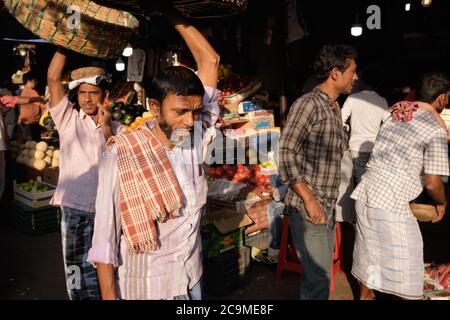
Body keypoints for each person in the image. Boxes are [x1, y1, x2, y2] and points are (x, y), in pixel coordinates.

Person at [87, 5, 220, 300]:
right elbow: (104, 241)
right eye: (181, 111)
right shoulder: (123, 152)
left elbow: (210, 60)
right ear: (155, 108)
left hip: (191, 280)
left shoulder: (194, 138)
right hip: (149, 289)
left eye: (197, 111)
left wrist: (170, 12)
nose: (191, 120)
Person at [351, 72, 450, 300]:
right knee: (409, 263)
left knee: (368, 252)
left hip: (365, 193)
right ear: (443, 98)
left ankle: (365, 296)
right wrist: (442, 203)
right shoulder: (434, 129)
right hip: (390, 203)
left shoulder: (397, 115)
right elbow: (433, 183)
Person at [279, 43, 358, 300]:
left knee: (318, 282)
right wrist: (309, 199)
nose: (355, 77)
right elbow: (286, 153)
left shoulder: (333, 107)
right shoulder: (309, 104)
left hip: (324, 207)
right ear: (335, 73)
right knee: (319, 282)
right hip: (307, 208)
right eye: (352, 71)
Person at [47, 48, 121, 300]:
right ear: (76, 95)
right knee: (77, 272)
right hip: (76, 208)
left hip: (107, 211)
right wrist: (65, 43)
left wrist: (107, 128)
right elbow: (53, 78)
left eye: (94, 93)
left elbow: (118, 158)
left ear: (105, 96)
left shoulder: (116, 128)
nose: (88, 99)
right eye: (83, 93)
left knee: (109, 271)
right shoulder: (68, 121)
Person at [341, 65, 390, 185]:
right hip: (374, 149)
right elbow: (389, 125)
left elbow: (340, 119)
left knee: (358, 184)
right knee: (371, 183)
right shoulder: (382, 101)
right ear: (377, 85)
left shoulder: (352, 98)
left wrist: (347, 129)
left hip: (356, 148)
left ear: (362, 82)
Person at [1, 94, 44, 201]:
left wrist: (36, 99)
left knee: (1, 173)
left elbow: (16, 99)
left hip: (1, 144)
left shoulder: (2, 98)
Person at [18, 72, 43, 141]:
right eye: (34, 81)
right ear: (29, 81)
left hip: (24, 121)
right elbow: (41, 104)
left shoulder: (23, 91)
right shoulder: (32, 92)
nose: (36, 82)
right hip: (32, 122)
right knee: (35, 143)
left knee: (28, 144)